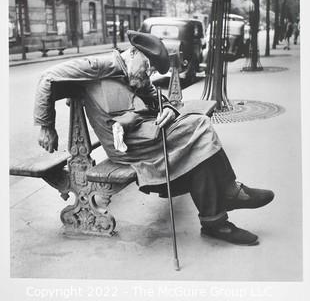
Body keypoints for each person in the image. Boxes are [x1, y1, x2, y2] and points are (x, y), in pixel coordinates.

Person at [34, 30, 274, 246]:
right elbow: (48, 77)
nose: (148, 73)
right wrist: (45, 125)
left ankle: (216, 221)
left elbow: (157, 98)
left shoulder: (135, 76)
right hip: (127, 146)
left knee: (199, 148)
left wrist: (168, 109)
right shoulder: (99, 65)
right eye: (147, 66)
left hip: (146, 135)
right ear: (134, 54)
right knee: (200, 125)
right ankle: (230, 193)